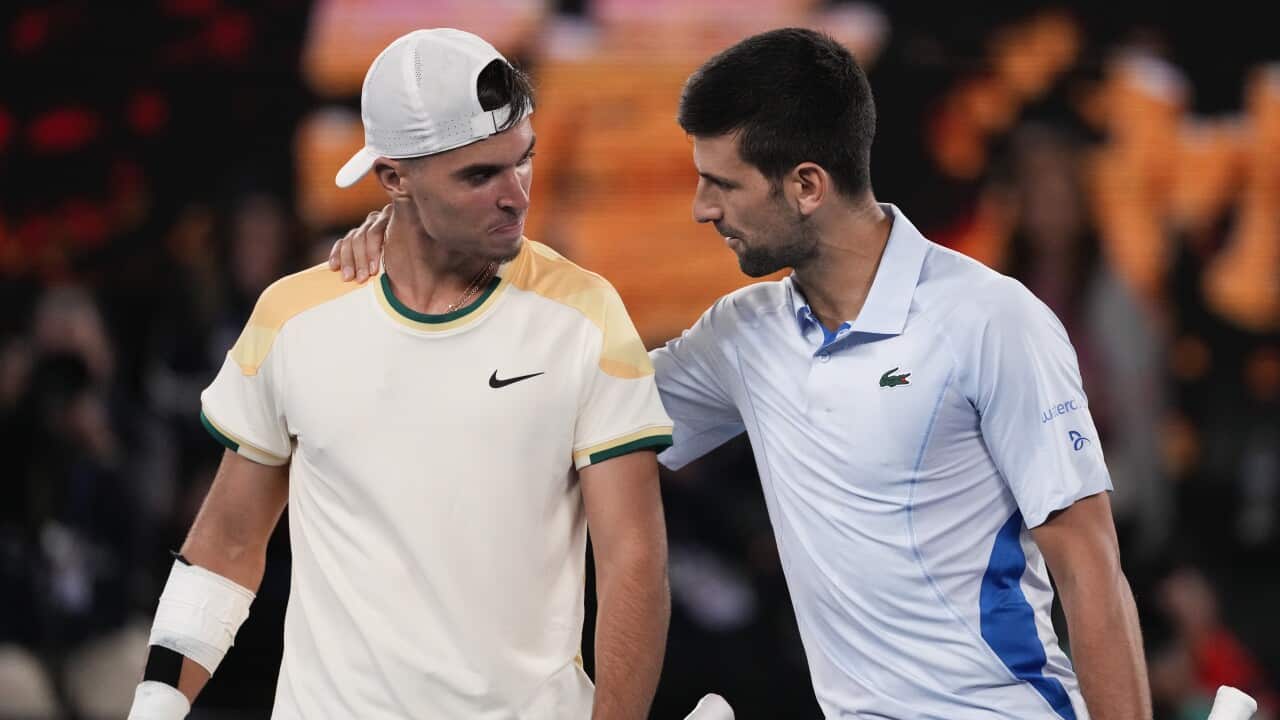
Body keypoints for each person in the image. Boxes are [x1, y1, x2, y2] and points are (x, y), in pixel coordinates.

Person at [336, 28, 1153, 718]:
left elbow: (1088, 569)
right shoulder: (742, 336)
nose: (702, 209)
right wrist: (426, 242)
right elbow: (560, 410)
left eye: (721, 184)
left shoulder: (991, 322)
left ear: (806, 187)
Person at [128, 29, 673, 720]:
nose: (516, 196)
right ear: (393, 179)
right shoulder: (292, 317)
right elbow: (227, 545)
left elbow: (633, 561)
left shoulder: (586, 316)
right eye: (479, 175)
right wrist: (155, 704)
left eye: (524, 160)